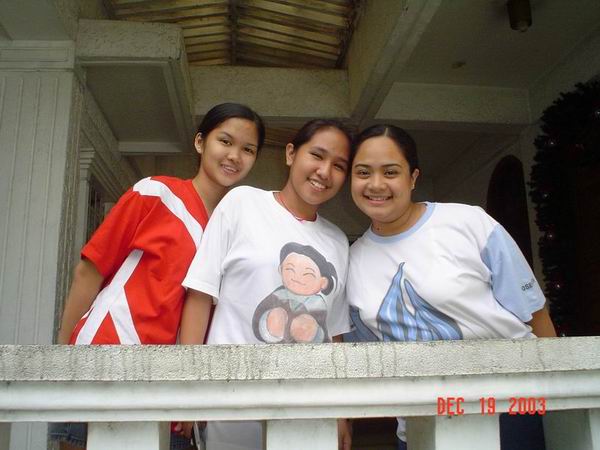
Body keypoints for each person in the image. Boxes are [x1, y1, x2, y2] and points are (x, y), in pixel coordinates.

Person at [50, 103, 265, 450]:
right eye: (225, 141)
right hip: (106, 359)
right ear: (200, 142)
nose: (234, 156)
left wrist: (195, 388)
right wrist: (61, 359)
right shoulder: (156, 193)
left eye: (248, 149)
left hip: (171, 384)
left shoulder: (232, 230)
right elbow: (89, 271)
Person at [344, 124, 556, 450]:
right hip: (421, 425)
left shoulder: (469, 223)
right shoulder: (353, 262)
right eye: (363, 172)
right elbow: (367, 359)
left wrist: (560, 396)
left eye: (390, 172)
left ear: (413, 178)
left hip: (510, 411)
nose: (375, 184)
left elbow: (535, 314)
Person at [179, 119, 355, 450]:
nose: (324, 171)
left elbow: (333, 334)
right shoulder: (242, 203)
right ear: (291, 154)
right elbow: (200, 295)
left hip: (309, 408)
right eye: (316, 155)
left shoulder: (337, 241)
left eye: (339, 166)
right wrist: (188, 388)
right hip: (231, 400)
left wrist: (341, 413)